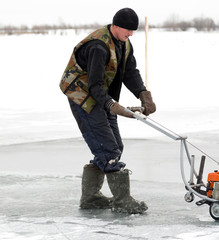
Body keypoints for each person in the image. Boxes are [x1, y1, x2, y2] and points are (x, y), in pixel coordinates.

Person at [59, 8, 156, 214]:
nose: (131, 34)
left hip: (102, 95)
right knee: (107, 149)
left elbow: (130, 72)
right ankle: (122, 201)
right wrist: (113, 106)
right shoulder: (98, 46)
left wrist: (144, 94)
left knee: (115, 146)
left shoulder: (124, 43)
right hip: (83, 96)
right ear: (115, 26)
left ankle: (91, 198)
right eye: (128, 30)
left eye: (133, 31)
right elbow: (94, 85)